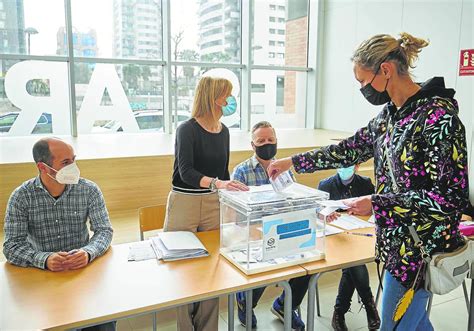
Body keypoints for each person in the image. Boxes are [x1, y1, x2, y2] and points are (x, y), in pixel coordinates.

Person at [268, 32, 469, 331]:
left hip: (419, 250)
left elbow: (450, 198)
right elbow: (347, 149)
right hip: (392, 244)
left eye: (363, 81)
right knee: (413, 324)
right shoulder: (388, 116)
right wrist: (293, 162)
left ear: (385, 70)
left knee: (396, 325)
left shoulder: (438, 118)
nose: (363, 89)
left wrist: (377, 204)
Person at [3, 137, 115, 331]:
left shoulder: (89, 190)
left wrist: (88, 252)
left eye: (73, 159)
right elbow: (11, 246)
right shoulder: (21, 196)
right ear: (43, 167)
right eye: (65, 162)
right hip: (42, 278)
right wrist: (44, 259)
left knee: (104, 322)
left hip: (83, 273)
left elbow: (104, 230)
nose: (73, 167)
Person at [164, 76, 248, 331]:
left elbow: (223, 171)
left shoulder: (224, 132)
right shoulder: (186, 129)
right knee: (183, 270)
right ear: (213, 97)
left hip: (213, 204)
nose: (230, 100)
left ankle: (208, 327)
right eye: (227, 94)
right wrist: (217, 184)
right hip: (184, 203)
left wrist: (232, 189)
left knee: (212, 270)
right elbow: (186, 171)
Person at [232, 121, 307, 330]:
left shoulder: (284, 169)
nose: (267, 144)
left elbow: (293, 200)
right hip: (254, 235)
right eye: (261, 141)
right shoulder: (241, 172)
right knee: (267, 257)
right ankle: (246, 302)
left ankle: (285, 305)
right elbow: (236, 217)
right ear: (252, 145)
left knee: (309, 262)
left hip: (283, 230)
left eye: (271, 140)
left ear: (277, 142)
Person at [318, 165, 380, 330]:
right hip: (335, 238)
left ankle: (339, 312)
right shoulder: (325, 185)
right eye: (340, 164)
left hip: (360, 234)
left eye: (349, 164)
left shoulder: (365, 183)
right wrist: (325, 214)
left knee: (352, 265)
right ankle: (369, 305)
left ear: (357, 166)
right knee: (354, 264)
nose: (344, 168)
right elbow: (318, 213)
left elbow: (376, 208)